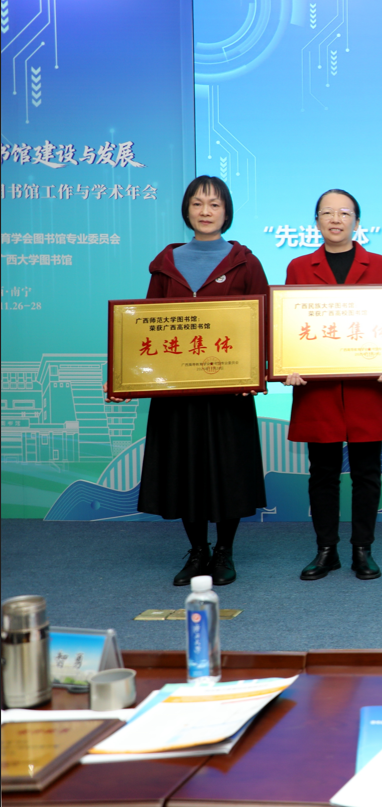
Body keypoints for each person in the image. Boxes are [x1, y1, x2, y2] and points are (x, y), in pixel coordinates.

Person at [123, 176, 269, 586]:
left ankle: (224, 552)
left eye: (214, 204)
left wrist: (256, 372)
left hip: (229, 390)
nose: (206, 211)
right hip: (177, 391)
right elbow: (147, 326)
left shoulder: (246, 262)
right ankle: (198, 551)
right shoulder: (166, 264)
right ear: (187, 210)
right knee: (184, 469)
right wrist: (129, 378)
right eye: (198, 204)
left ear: (227, 212)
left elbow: (263, 323)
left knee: (228, 469)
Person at [284, 190, 382, 581]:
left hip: (369, 387)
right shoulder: (299, 267)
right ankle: (326, 550)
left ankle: (362, 550)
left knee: (367, 472)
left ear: (357, 221)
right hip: (318, 389)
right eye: (327, 213)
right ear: (316, 221)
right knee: (323, 473)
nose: (336, 219)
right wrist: (287, 365)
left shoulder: (381, 265)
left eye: (344, 213)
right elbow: (289, 326)